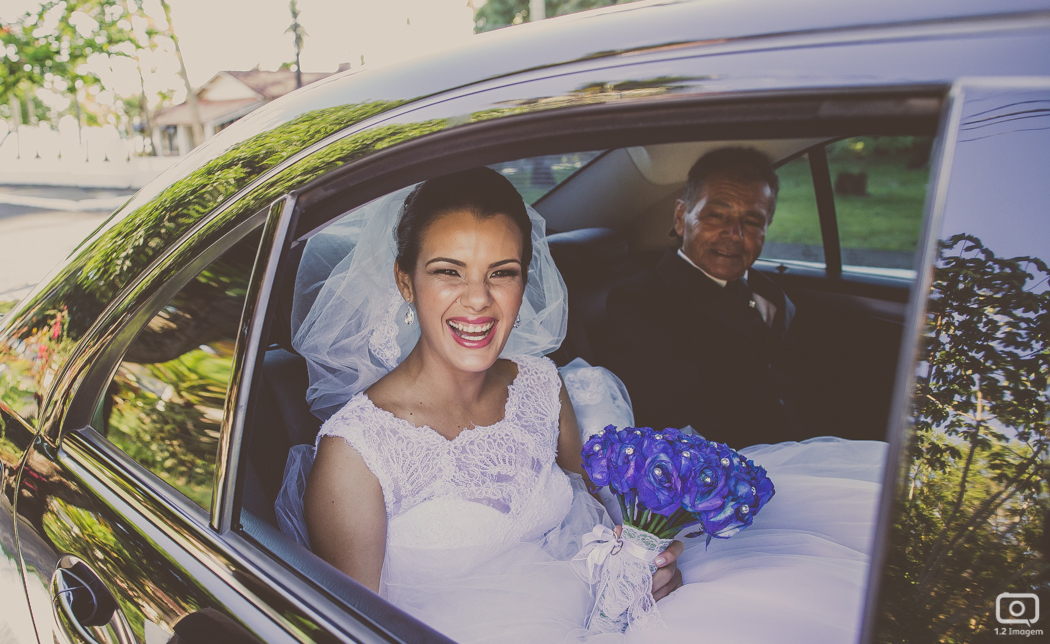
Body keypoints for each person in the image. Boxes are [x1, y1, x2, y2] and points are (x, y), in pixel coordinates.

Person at [277, 167, 884, 644]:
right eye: (449, 272)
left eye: (503, 272)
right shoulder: (357, 452)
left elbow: (588, 516)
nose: (479, 301)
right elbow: (348, 632)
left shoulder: (541, 385)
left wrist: (636, 567)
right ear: (406, 282)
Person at [601, 147, 799, 449]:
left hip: (801, 448)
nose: (734, 234)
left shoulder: (772, 294)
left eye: (753, 222)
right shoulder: (640, 303)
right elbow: (673, 423)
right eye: (715, 215)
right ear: (681, 218)